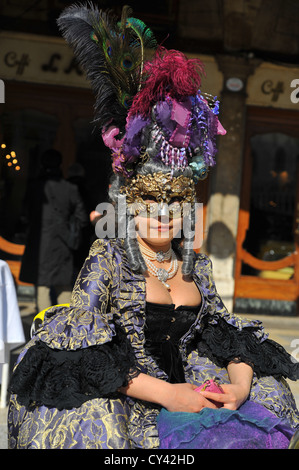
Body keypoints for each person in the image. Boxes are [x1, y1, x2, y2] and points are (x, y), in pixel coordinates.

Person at [7, 3, 299, 449]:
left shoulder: (192, 262)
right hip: (136, 395)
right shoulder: (110, 256)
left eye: (175, 201)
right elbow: (83, 351)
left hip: (195, 386)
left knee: (271, 394)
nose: (162, 213)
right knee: (96, 426)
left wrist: (237, 390)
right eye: (150, 201)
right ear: (127, 203)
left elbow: (228, 334)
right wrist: (167, 394)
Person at [19, 149, 88, 311]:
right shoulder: (70, 189)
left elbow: (24, 215)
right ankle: (65, 329)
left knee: (43, 287)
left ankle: (45, 331)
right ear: (61, 164)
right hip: (63, 244)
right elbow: (82, 218)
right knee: (63, 287)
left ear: (42, 164)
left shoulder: (35, 187)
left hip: (39, 243)